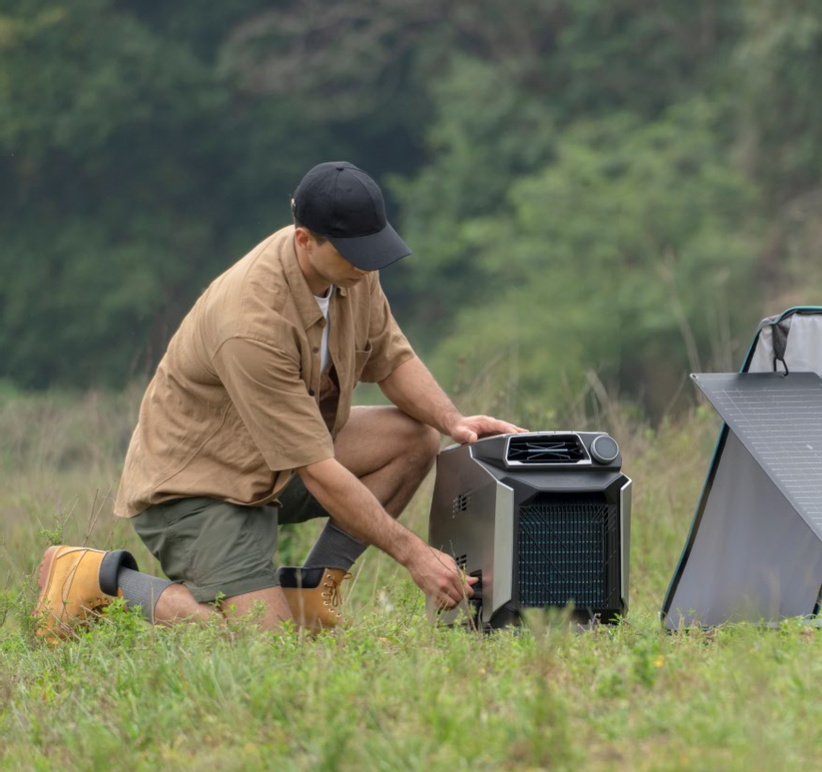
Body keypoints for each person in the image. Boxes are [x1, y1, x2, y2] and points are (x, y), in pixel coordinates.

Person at [33, 161, 524, 639]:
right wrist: (416, 555)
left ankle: (313, 595)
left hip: (275, 459)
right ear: (305, 239)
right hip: (199, 486)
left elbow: (392, 361)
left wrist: (453, 421)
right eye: (354, 252)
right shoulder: (252, 324)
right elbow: (317, 469)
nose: (367, 262)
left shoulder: (352, 269)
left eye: (373, 248)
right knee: (265, 645)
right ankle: (99, 581)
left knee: (415, 437)